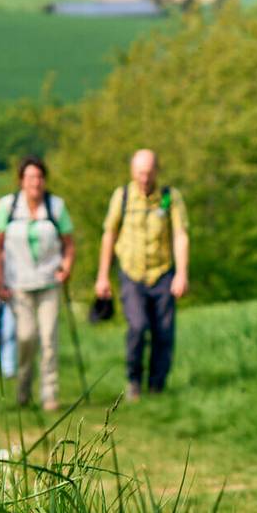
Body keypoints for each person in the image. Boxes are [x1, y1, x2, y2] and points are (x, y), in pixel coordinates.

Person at [94, 149, 189, 402]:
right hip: (131, 273)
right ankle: (134, 379)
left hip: (162, 273)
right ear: (132, 172)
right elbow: (109, 234)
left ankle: (157, 386)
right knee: (137, 326)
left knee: (164, 332)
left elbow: (180, 235)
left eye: (148, 173)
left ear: (156, 171)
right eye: (139, 173)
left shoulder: (170, 198)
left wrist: (181, 274)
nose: (144, 178)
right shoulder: (122, 196)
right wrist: (102, 276)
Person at [0, 156, 76, 411]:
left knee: (49, 337)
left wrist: (66, 268)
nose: (35, 183)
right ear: (21, 181)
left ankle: (49, 394)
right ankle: (23, 388)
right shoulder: (8, 206)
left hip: (49, 282)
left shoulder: (55, 207)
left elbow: (69, 242)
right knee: (26, 337)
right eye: (30, 178)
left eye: (39, 177)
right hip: (18, 284)